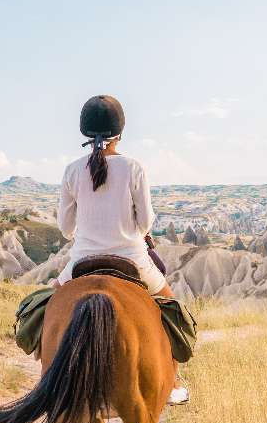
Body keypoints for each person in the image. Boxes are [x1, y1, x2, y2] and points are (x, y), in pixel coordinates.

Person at [54, 95, 190, 405]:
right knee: (169, 304)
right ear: (120, 132)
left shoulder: (72, 170)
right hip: (132, 258)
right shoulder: (133, 167)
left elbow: (65, 227)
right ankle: (172, 382)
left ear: (84, 133)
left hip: (81, 260)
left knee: (49, 304)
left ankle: (48, 376)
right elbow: (145, 221)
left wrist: (87, 234)